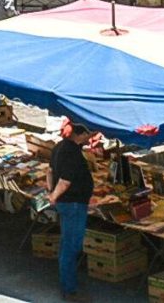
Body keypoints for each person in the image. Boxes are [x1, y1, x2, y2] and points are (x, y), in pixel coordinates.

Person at [46, 117, 94, 298]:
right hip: (73, 203)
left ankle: (70, 279)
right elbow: (65, 182)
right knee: (71, 245)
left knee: (68, 241)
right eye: (87, 134)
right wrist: (54, 196)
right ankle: (69, 288)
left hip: (67, 203)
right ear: (80, 134)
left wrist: (51, 191)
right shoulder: (72, 154)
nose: (89, 137)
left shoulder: (59, 147)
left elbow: (50, 171)